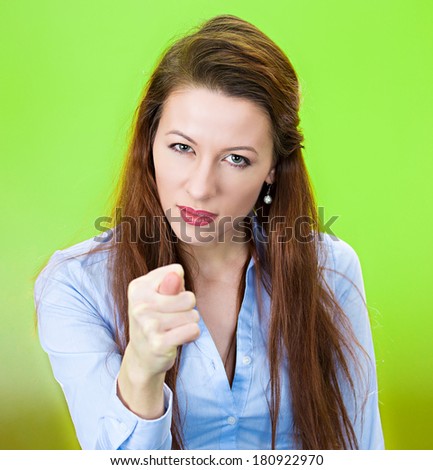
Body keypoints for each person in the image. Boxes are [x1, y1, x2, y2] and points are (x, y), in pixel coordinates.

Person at [33, 14, 384, 450]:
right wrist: (141, 369)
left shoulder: (330, 269)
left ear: (272, 169)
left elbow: (362, 448)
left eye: (236, 158)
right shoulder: (76, 285)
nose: (200, 187)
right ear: (150, 143)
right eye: (182, 147)